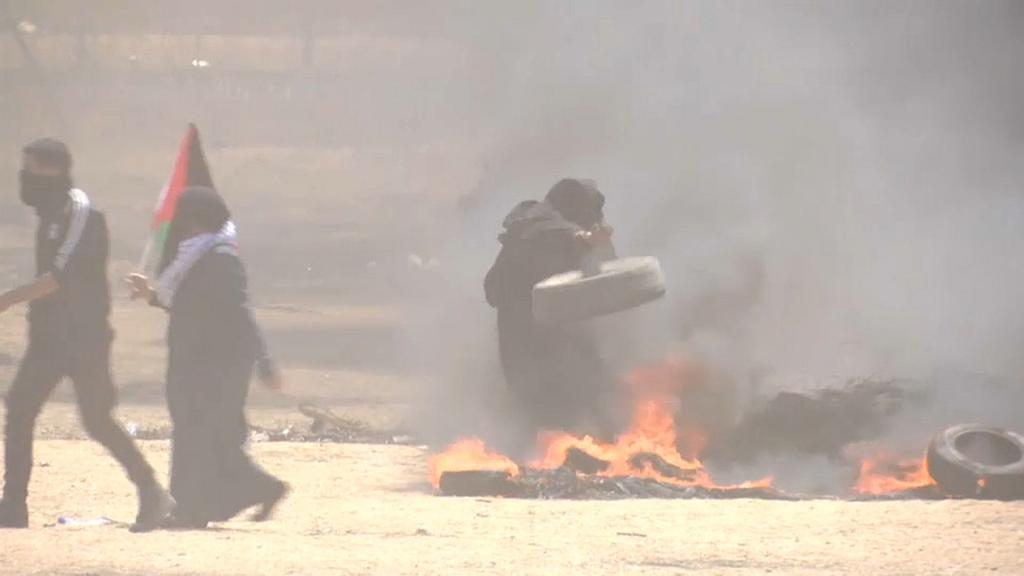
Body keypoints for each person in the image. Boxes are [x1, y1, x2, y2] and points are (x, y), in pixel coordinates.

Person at [0, 138, 173, 531]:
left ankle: (152, 492)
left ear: (54, 170)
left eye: (31, 169)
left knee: (96, 419)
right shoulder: (50, 215)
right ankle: (13, 506)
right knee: (20, 408)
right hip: (48, 339)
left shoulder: (81, 215)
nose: (24, 178)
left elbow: (57, 279)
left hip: (84, 341)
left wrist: (7, 299)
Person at [126, 186, 287, 529]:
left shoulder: (221, 258)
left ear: (194, 220)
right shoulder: (200, 256)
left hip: (216, 363)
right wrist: (151, 296)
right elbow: (190, 306)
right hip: (197, 360)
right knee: (205, 434)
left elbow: (240, 311)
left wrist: (264, 362)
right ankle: (248, 492)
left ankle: (196, 508)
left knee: (197, 434)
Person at [484, 178, 618, 441]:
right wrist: (591, 242)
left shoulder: (522, 230)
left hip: (523, 350)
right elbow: (600, 274)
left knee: (539, 424)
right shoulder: (557, 232)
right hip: (548, 353)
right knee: (563, 421)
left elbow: (492, 290)